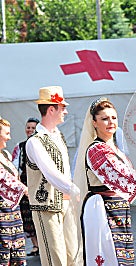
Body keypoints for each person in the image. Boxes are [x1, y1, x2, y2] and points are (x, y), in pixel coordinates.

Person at [73, 97, 136, 265]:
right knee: (106, 254)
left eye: (113, 118)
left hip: (118, 207)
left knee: (122, 254)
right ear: (94, 122)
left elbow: (128, 171)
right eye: (104, 119)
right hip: (101, 206)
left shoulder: (115, 149)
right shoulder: (96, 149)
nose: (110, 122)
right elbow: (120, 172)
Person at [25, 86, 80, 266]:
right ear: (51, 109)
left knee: (73, 255)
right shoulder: (35, 141)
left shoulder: (58, 136)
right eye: (62, 107)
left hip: (66, 203)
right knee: (55, 258)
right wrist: (73, 189)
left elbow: (63, 170)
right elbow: (50, 173)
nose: (65, 111)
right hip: (46, 205)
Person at [0, 116, 28, 265]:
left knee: (17, 250)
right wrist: (24, 189)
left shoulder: (5, 155)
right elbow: (3, 178)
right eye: (6, 133)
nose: (9, 137)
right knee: (3, 251)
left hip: (13, 210)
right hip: (1, 212)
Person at [11, 117, 40, 256]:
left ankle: (43, 244)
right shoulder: (20, 146)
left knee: (39, 214)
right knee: (27, 216)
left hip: (39, 183)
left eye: (33, 128)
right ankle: (35, 245)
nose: (30, 130)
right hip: (25, 182)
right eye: (28, 127)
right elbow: (15, 166)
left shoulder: (41, 145)